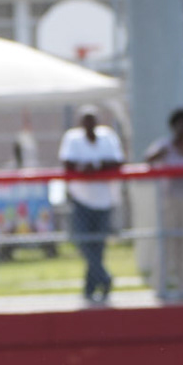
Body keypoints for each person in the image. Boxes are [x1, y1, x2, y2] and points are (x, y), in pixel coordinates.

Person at [58, 105, 124, 304]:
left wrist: (95, 166)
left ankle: (89, 288)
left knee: (98, 246)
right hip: (81, 200)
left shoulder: (108, 136)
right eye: (85, 121)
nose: (89, 124)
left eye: (92, 120)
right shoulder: (72, 138)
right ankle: (104, 277)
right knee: (84, 242)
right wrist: (86, 167)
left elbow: (118, 162)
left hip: (104, 201)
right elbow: (68, 163)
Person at [142, 107, 183, 301]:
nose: (182, 127)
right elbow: (147, 161)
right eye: (179, 123)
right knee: (165, 243)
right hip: (168, 200)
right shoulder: (163, 145)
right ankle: (161, 286)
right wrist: (160, 155)